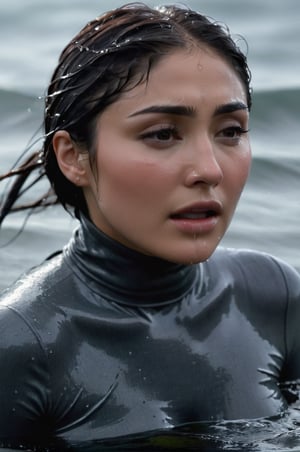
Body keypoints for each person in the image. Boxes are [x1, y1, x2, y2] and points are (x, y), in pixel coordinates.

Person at [0, 2, 300, 449]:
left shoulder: (273, 297)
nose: (210, 169)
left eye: (231, 131)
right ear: (73, 157)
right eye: (162, 133)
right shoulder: (23, 344)